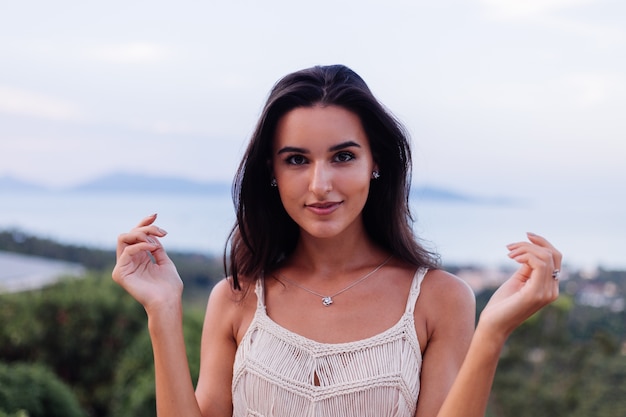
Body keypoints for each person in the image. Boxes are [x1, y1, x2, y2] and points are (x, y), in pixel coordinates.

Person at [112, 64, 561, 417]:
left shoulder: (438, 300)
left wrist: (492, 332)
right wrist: (163, 311)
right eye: (296, 160)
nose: (320, 184)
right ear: (272, 171)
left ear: (376, 162)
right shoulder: (237, 297)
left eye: (343, 156)